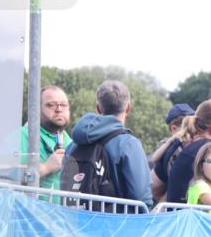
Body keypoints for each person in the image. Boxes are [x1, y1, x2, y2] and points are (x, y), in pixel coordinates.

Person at [64, 80, 152, 208]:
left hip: (76, 222)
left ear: (98, 108)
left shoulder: (73, 145)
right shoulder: (128, 144)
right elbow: (141, 197)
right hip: (116, 225)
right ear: (128, 107)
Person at [21, 85, 72, 190]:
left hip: (64, 207)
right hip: (31, 206)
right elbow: (9, 178)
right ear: (37, 109)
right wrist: (46, 168)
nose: (59, 109)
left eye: (63, 105)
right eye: (51, 105)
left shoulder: (72, 143)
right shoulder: (23, 135)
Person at [148, 103, 195, 204]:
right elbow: (153, 159)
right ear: (174, 129)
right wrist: (170, 141)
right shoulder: (170, 145)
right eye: (188, 126)